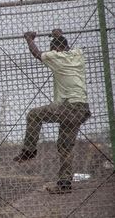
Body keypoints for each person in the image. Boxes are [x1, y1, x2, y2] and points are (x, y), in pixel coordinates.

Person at [14, 29, 91, 194]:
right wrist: (57, 36)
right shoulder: (78, 55)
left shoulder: (56, 57)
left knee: (34, 115)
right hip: (82, 109)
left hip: (68, 106)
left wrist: (29, 39)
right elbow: (62, 46)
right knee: (64, 147)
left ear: (55, 50)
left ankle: (29, 150)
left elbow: (37, 53)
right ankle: (64, 184)